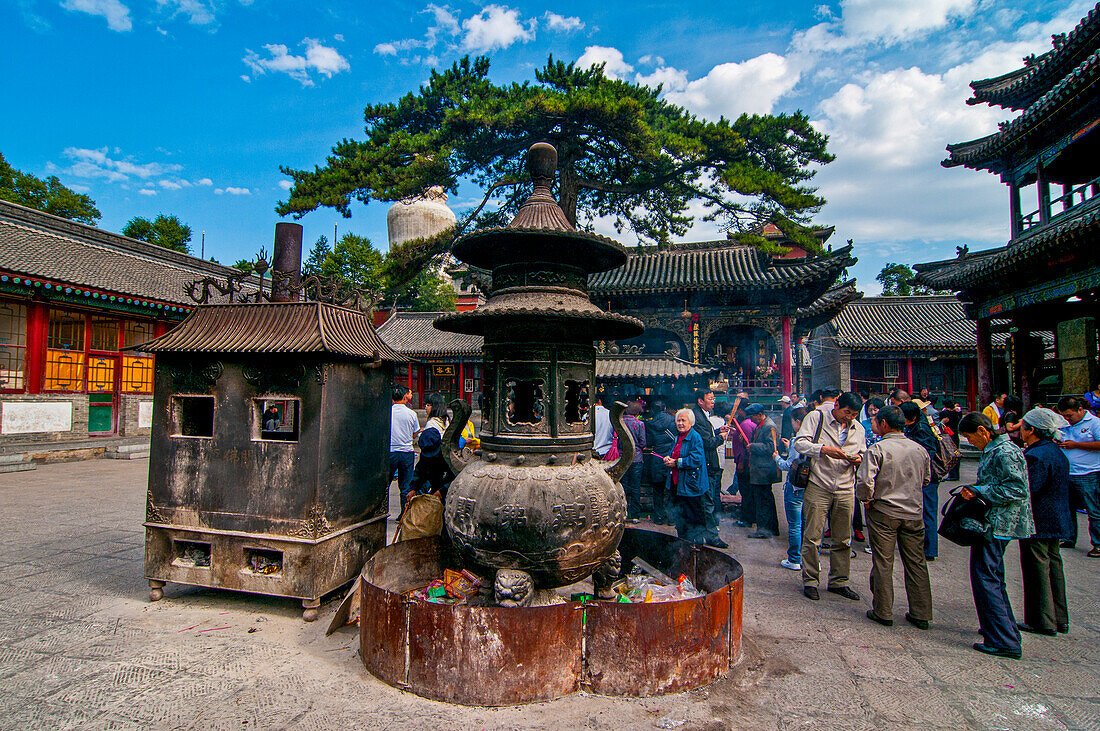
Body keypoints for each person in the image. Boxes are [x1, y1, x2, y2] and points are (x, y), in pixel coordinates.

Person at [957, 412, 1034, 659]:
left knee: (986, 578)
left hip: (998, 524)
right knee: (992, 577)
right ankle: (1002, 630)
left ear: (982, 430)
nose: (970, 442)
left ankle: (1003, 640)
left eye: (970, 436)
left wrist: (980, 490)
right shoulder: (995, 449)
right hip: (994, 522)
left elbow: (1017, 488)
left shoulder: (1005, 451)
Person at [857, 405, 933, 630]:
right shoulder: (919, 450)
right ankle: (921, 612)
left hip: (885, 511)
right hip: (913, 511)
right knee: (916, 562)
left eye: (875, 421)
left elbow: (864, 483)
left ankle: (883, 610)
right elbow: (926, 479)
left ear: (884, 424)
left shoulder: (878, 449)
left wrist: (867, 499)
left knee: (883, 562)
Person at [792, 391, 865, 601]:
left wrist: (859, 458)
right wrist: (823, 449)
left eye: (853, 414)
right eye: (846, 412)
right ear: (837, 405)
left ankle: (839, 581)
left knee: (843, 538)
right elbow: (800, 443)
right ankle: (811, 580)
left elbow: (863, 451)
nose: (849, 417)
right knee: (813, 536)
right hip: (819, 483)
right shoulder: (817, 418)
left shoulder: (858, 428)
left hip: (845, 487)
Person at [1017, 408, 1073, 635]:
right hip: (1056, 516)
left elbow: (1030, 489)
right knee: (1054, 566)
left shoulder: (1036, 456)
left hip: (1039, 518)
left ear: (1031, 430)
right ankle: (1059, 617)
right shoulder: (1055, 451)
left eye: (1023, 427)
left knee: (1037, 568)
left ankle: (1042, 620)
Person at [1056, 396, 1100, 557]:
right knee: (1067, 508)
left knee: (1093, 510)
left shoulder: (1094, 423)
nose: (1067, 419)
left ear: (1080, 410)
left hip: (1089, 472)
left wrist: (1076, 445)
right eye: (1064, 416)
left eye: (1070, 415)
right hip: (1068, 472)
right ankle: (1068, 537)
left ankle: (1098, 543)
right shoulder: (1064, 425)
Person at [900, 401, 941, 562]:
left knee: (928, 511)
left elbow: (926, 454)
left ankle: (930, 549)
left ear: (912, 417)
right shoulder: (920, 423)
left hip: (928, 476)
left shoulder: (922, 429)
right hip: (923, 475)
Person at [663, 408, 710, 545]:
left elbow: (696, 459)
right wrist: (669, 459)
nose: (680, 423)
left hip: (691, 485)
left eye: (683, 420)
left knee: (694, 516)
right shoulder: (677, 437)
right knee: (680, 516)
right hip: (677, 484)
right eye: (678, 420)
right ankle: (684, 543)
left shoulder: (695, 437)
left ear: (691, 422)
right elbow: (675, 454)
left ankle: (697, 545)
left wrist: (677, 462)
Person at [691, 389, 730, 549]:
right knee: (707, 503)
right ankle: (711, 536)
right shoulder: (697, 417)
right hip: (705, 465)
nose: (713, 401)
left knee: (708, 501)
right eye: (710, 399)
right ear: (701, 401)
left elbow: (707, 436)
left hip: (708, 464)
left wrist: (717, 432)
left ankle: (705, 534)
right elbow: (707, 443)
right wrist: (720, 438)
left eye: (713, 399)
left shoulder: (702, 415)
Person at [776, 407, 808, 570]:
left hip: (795, 486)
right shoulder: (816, 438)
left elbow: (789, 465)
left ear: (797, 422)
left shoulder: (799, 440)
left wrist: (776, 458)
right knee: (809, 524)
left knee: (795, 524)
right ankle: (812, 560)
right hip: (811, 487)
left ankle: (794, 559)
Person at [745, 404, 781, 539]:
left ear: (760, 415)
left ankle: (764, 530)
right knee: (765, 499)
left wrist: (753, 446)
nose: (751, 420)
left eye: (753, 416)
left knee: (763, 501)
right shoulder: (762, 425)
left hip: (764, 470)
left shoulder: (768, 426)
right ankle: (770, 528)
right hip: (761, 469)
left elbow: (772, 447)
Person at [412, 393, 452, 499]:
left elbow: (425, 461)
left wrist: (414, 486)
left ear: (435, 406)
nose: (426, 408)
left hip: (435, 470)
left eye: (428, 405)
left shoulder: (432, 426)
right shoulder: (446, 422)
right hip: (447, 469)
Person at [644, 399, 677, 525]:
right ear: (664, 408)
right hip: (671, 458)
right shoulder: (673, 420)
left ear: (653, 410)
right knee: (670, 490)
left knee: (657, 490)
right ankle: (671, 518)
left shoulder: (650, 424)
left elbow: (649, 443)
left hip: (657, 458)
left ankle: (658, 517)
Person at [390, 385, 421, 514]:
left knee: (384, 484)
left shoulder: (387, 412)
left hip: (390, 451)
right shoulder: (411, 414)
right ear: (405, 397)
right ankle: (404, 514)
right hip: (407, 451)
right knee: (405, 485)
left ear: (392, 398)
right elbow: (415, 433)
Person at [621, 401, 648, 522]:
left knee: (623, 486)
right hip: (636, 458)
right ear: (638, 412)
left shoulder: (619, 422)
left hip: (622, 458)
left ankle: (623, 512)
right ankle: (636, 515)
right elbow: (643, 443)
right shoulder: (640, 424)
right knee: (636, 487)